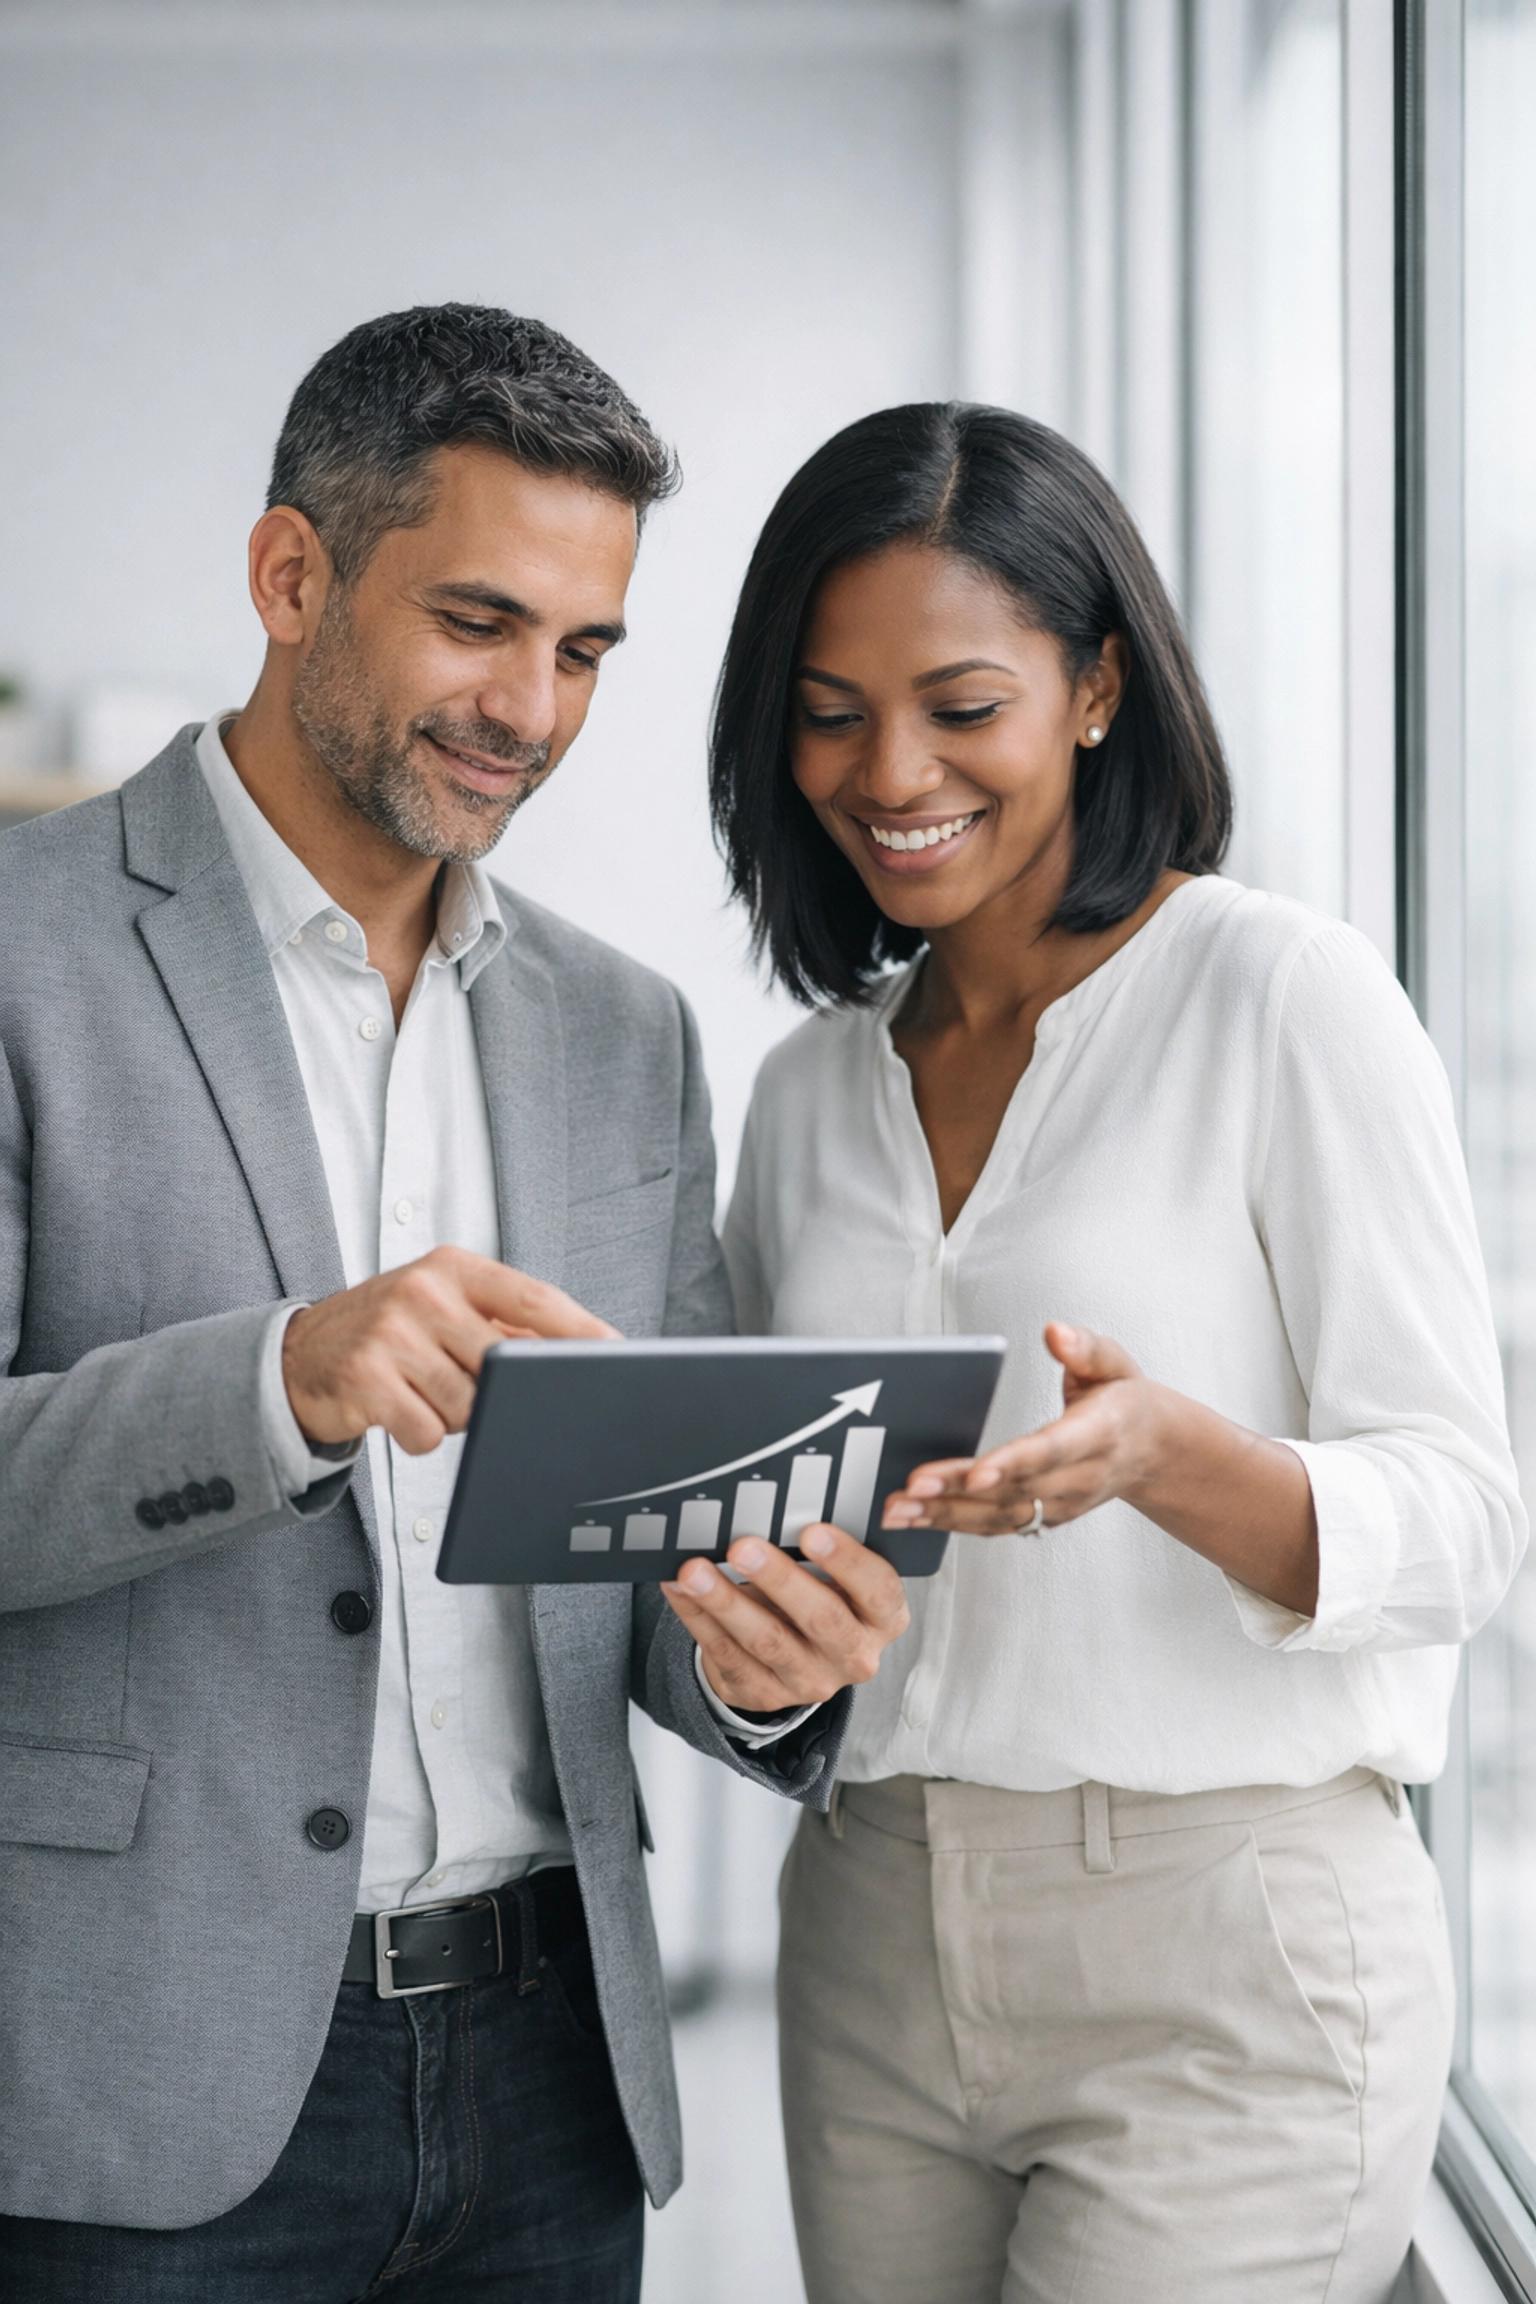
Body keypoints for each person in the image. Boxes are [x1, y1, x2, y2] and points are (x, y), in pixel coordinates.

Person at [0, 305, 908, 2303]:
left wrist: (765, 1658)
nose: (534, 708)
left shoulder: (619, 1031)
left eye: (584, 652)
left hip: (544, 2083)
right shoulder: (25, 954)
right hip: (144, 2086)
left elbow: (644, 1561)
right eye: (481, 623)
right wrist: (280, 1382)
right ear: (290, 575)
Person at [712, 401, 1526, 2304]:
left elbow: (1469, 1517)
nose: (888, 768)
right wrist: (759, 1669)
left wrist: (1173, 1459)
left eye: (960, 704)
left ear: (1093, 688)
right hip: (871, 1935)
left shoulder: (1280, 999)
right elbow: (775, 1536)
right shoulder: (806, 1094)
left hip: (1225, 1942)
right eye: (829, 712)